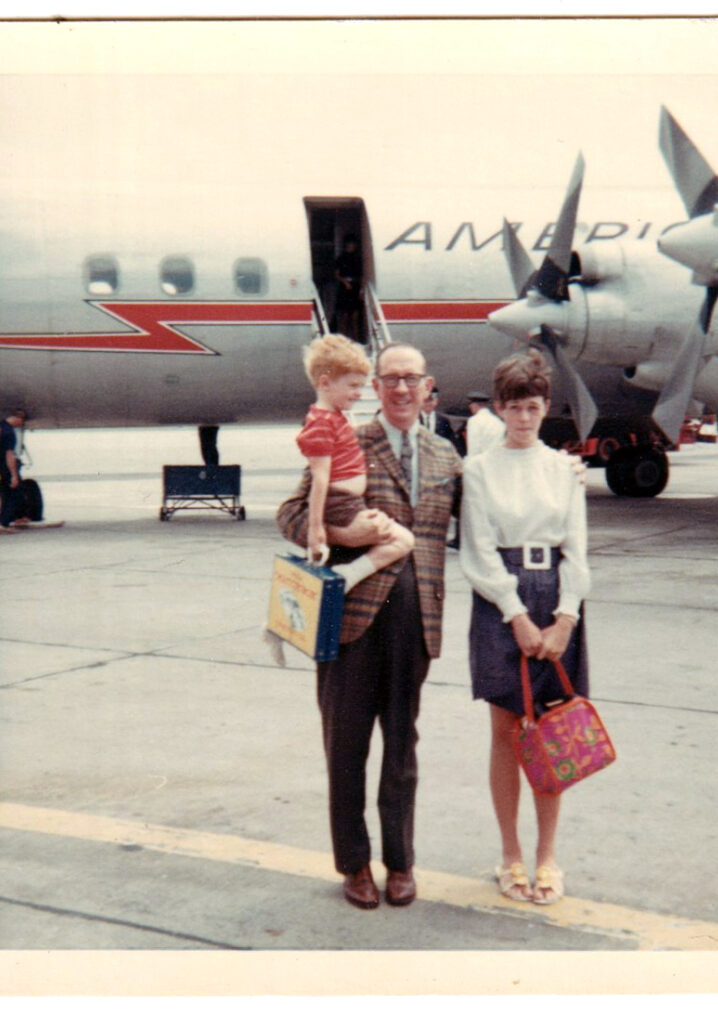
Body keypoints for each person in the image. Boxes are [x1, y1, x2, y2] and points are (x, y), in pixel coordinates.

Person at [277, 342, 463, 910]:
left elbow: (484, 523)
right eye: (391, 380)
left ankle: (400, 862)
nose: (402, 389)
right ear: (375, 387)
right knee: (347, 747)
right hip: (350, 623)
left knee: (402, 749)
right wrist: (345, 537)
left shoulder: (445, 456)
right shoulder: (346, 437)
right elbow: (290, 513)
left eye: (413, 379)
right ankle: (354, 863)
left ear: (428, 386)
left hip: (417, 625)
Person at [459, 350, 590, 905]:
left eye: (533, 407)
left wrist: (565, 618)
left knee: (554, 730)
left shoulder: (563, 468)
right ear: (499, 409)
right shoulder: (480, 470)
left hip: (554, 589)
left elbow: (579, 550)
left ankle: (547, 857)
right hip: (500, 598)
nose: (524, 418)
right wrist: (515, 615)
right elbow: (479, 548)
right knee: (507, 731)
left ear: (544, 408)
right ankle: (511, 853)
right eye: (513, 408)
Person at [296, 333, 413, 592]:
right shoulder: (321, 424)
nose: (359, 394)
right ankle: (349, 575)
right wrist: (316, 530)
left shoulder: (333, 418)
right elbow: (320, 480)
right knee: (403, 540)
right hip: (341, 506)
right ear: (325, 383)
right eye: (353, 386)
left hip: (350, 504)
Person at [0, 408, 28, 534]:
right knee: (15, 494)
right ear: (19, 419)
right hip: (5, 466)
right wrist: (14, 475)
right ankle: (4, 523)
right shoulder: (9, 432)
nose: (21, 425)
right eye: (22, 422)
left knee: (5, 493)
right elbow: (10, 455)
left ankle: (4, 521)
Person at [333, 234, 364, 343]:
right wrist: (344, 282)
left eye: (353, 244)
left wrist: (361, 289)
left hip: (355, 287)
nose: (351, 246)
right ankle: (342, 341)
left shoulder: (358, 259)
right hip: (344, 287)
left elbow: (362, 276)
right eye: (350, 244)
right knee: (344, 316)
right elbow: (336, 274)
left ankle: (355, 341)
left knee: (355, 316)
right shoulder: (341, 258)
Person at [463, 390, 505, 458]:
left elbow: (474, 448)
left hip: (484, 463)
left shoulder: (474, 421)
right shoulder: (498, 422)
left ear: (474, 406)